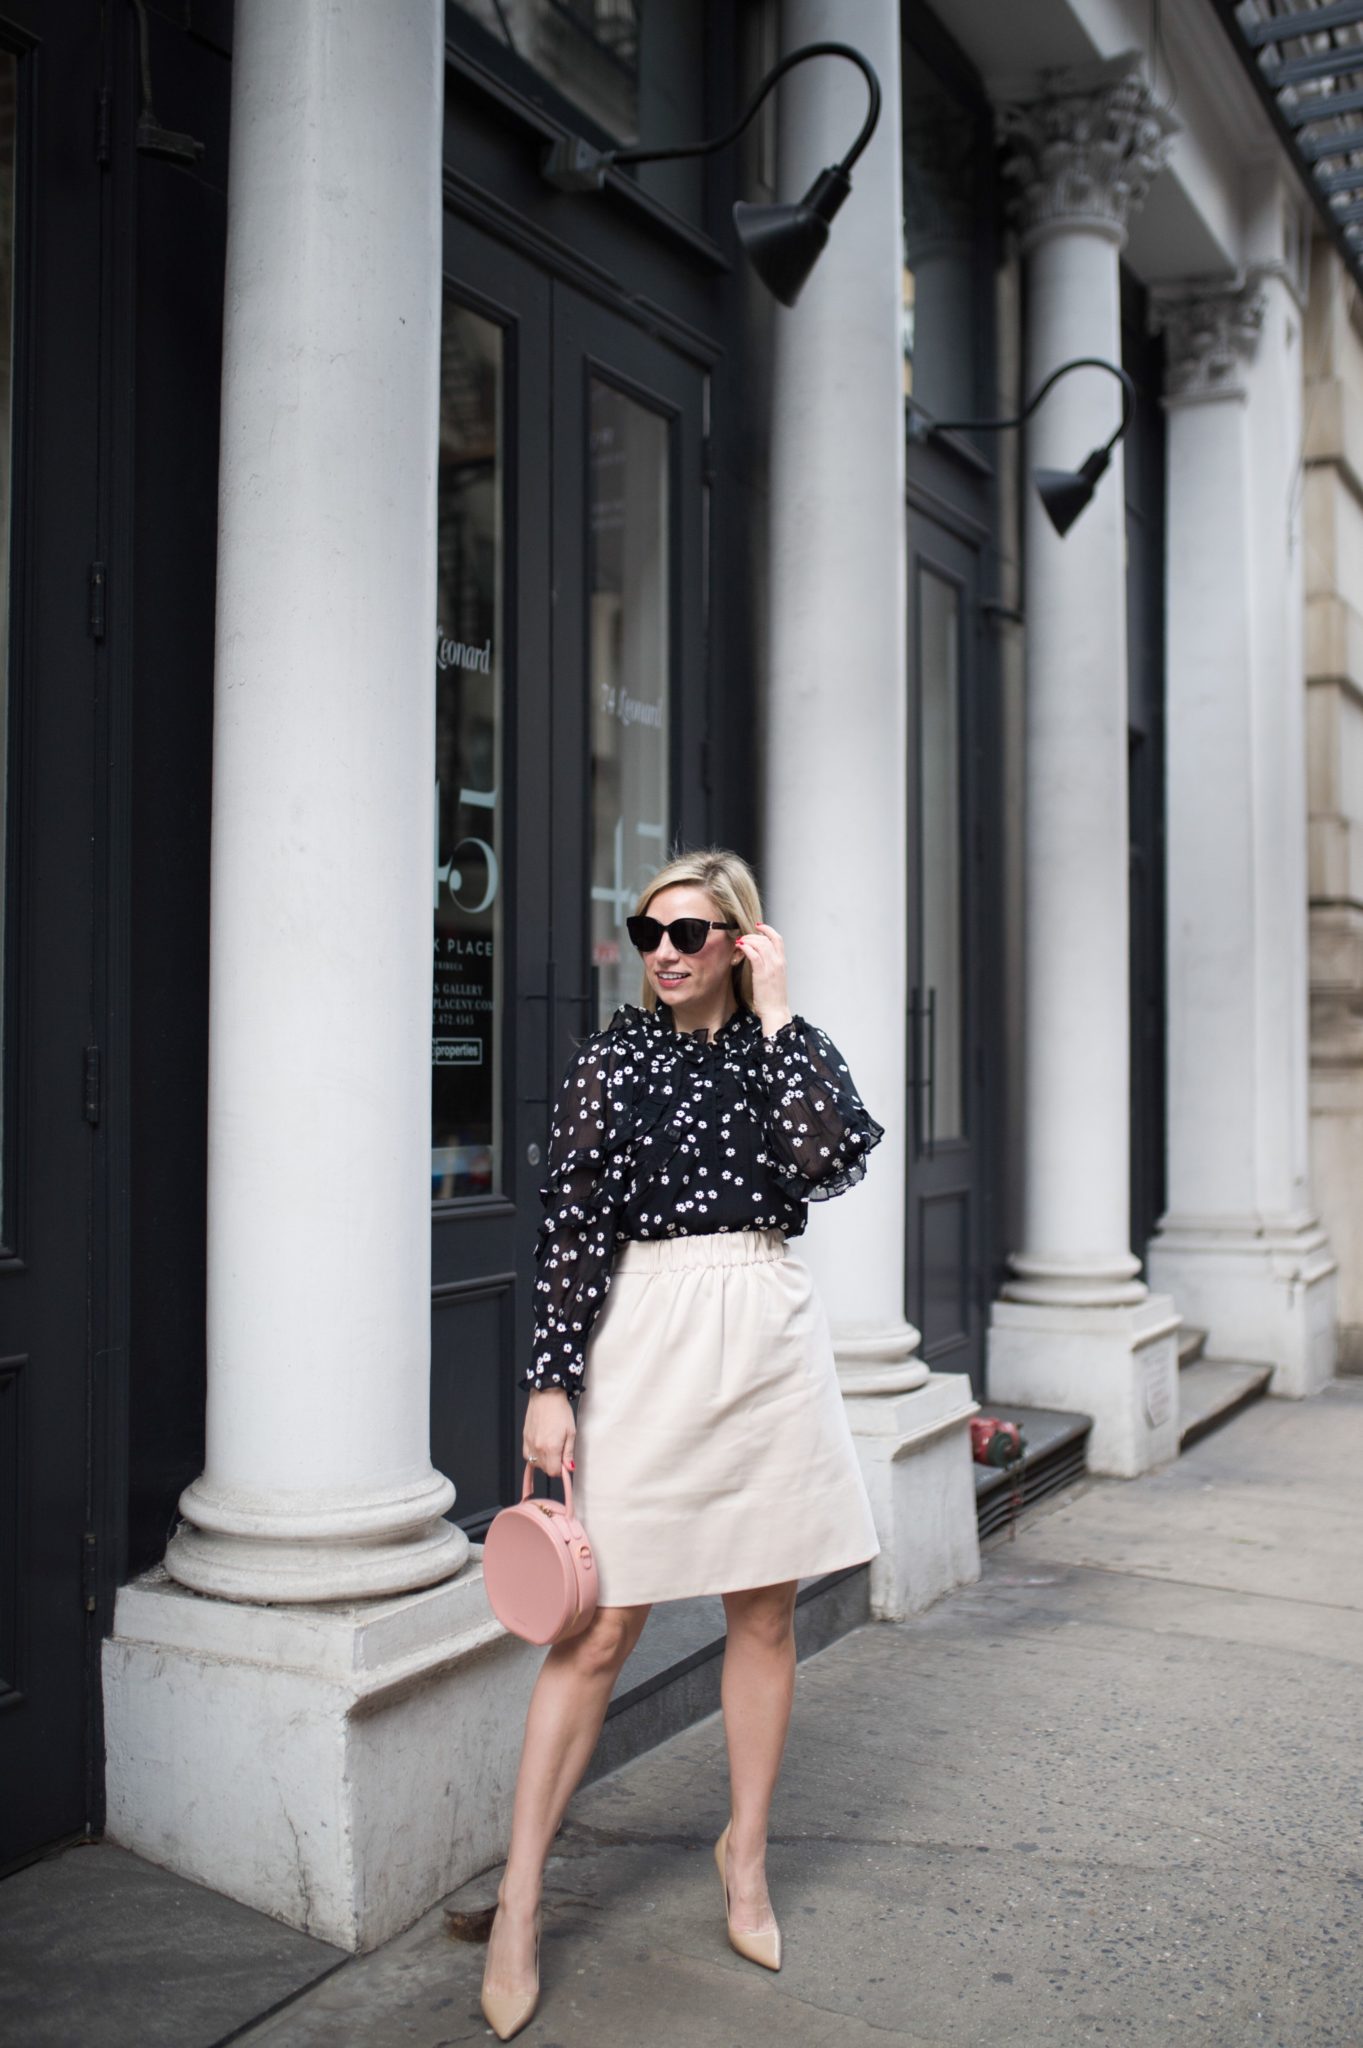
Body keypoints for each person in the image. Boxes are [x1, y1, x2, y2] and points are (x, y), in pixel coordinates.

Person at [479, 847, 883, 2040]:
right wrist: (550, 1378)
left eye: (690, 932)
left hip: (764, 1328)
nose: (663, 949)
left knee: (764, 1609)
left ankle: (743, 1857)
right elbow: (570, 1222)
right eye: (648, 927)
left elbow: (831, 1155)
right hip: (647, 1333)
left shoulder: (780, 1051)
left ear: (738, 941)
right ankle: (516, 1901)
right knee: (600, 1627)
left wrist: (777, 1012)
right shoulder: (614, 1058)